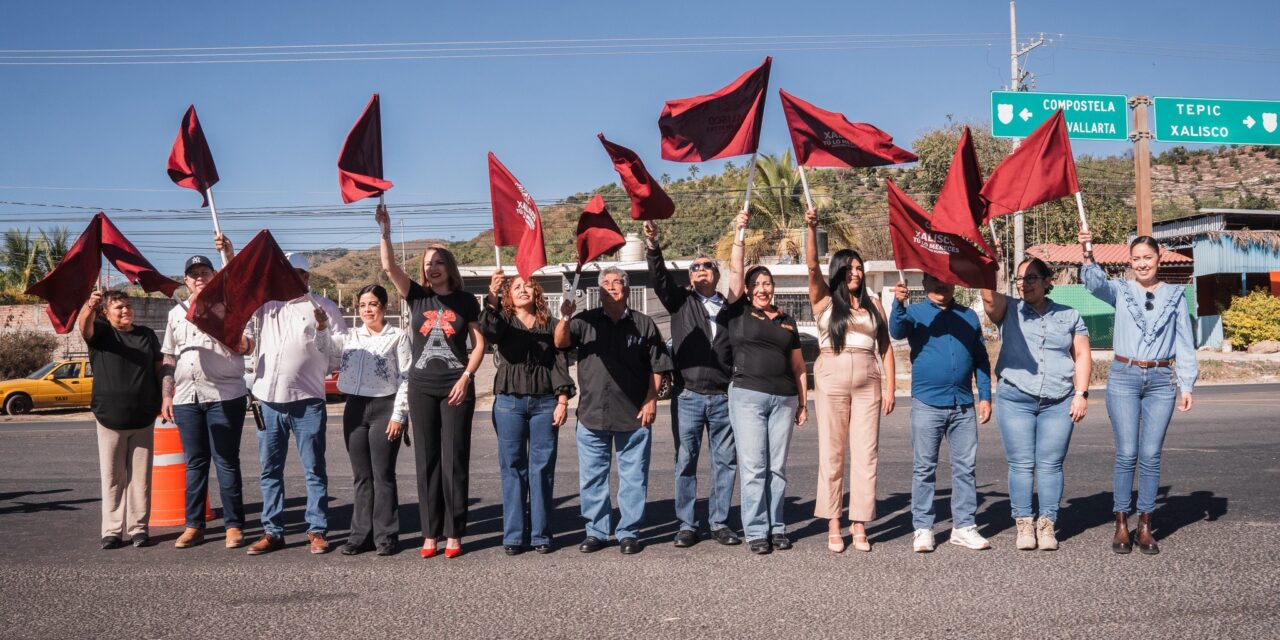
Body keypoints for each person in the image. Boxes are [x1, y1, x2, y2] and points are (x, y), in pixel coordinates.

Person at [376, 205, 485, 559]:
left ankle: (454, 532)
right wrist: (385, 231)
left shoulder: (467, 301)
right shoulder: (417, 297)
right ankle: (430, 533)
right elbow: (389, 268)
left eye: (437, 261)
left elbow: (479, 343)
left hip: (456, 386)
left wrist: (467, 377)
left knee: (454, 459)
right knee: (427, 460)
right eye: (427, 263)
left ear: (448, 267)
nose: (431, 267)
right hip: (421, 386)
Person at [1079, 230, 1197, 555]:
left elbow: (1185, 343)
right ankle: (1121, 523)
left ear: (1159, 259)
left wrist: (1186, 383)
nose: (1142, 264)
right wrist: (1087, 250)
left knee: (1150, 455)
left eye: (1148, 257)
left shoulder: (1175, 295)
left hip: (1161, 379)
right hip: (1123, 377)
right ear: (1129, 262)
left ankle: (1145, 525)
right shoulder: (1120, 290)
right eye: (1137, 259)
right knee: (1127, 452)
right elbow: (1093, 283)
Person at [233, 233, 347, 556]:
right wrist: (229, 252)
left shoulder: (322, 307)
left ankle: (317, 529)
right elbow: (242, 308)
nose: (289, 280)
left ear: (306, 277)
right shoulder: (266, 307)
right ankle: (273, 530)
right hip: (268, 400)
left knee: (314, 468)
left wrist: (323, 331)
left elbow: (337, 354)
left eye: (296, 275)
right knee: (270, 469)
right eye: (284, 275)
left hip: (308, 401)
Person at [554, 267, 672, 555]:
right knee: (593, 478)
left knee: (633, 478)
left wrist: (651, 398)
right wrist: (565, 316)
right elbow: (560, 342)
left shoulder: (644, 324)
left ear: (627, 289)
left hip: (634, 415)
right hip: (592, 414)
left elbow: (658, 365)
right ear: (599, 290)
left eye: (617, 282)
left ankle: (628, 532)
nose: (611, 287)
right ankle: (596, 531)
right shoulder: (584, 322)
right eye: (605, 283)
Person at [980, 257, 1091, 551]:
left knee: (1051, 464)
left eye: (1030, 278)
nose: (1023, 284)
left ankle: (1047, 524)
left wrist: (1081, 393)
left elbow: (1081, 356)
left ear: (1046, 281)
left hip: (1059, 400)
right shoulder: (1010, 310)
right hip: (1016, 396)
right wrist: (988, 263)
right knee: (1021, 464)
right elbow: (988, 297)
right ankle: (1024, 524)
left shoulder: (1070, 316)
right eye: (1019, 279)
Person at [714, 213, 808, 555]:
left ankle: (777, 526)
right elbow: (737, 272)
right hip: (747, 397)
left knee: (777, 468)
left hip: (783, 399)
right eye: (758, 284)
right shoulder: (738, 311)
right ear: (749, 290)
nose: (763, 288)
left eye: (767, 283)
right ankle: (756, 530)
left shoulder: (787, 320)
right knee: (754, 467)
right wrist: (739, 233)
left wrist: (803, 403)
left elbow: (798, 366)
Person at [642, 219, 740, 548]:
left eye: (707, 266)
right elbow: (659, 279)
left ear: (716, 274)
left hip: (724, 398)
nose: (701, 270)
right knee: (686, 460)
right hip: (688, 396)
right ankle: (686, 523)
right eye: (695, 267)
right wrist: (654, 246)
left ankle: (719, 522)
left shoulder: (729, 308)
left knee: (725, 461)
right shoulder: (681, 302)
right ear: (690, 277)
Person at [803, 209, 894, 554]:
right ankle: (833, 523)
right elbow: (812, 267)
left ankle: (859, 523)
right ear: (839, 270)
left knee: (867, 453)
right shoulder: (824, 301)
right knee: (833, 452)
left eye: (860, 268)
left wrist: (889, 388)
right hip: (831, 376)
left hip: (868, 379)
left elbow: (885, 348)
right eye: (851, 267)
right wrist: (811, 229)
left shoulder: (874, 307)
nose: (856, 273)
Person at [161, 242, 253, 550]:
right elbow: (169, 357)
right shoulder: (176, 313)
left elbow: (248, 345)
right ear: (185, 280)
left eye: (204, 272)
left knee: (226, 460)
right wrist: (167, 394)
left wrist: (228, 334)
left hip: (224, 394)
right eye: (193, 274)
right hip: (187, 397)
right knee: (195, 462)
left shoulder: (227, 306)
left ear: (214, 276)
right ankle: (193, 525)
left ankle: (234, 525)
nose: (199, 277)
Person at [890, 273, 992, 553]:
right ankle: (923, 528)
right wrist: (898, 304)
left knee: (965, 469)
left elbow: (981, 358)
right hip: (927, 404)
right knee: (924, 469)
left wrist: (985, 396)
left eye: (946, 279)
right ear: (924, 284)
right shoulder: (915, 312)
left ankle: (964, 526)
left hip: (963, 405)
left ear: (955, 283)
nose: (940, 284)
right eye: (933, 280)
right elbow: (897, 331)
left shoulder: (968, 316)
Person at [481, 268, 575, 555]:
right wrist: (492, 295)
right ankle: (513, 536)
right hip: (509, 403)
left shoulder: (551, 323)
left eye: (528, 286)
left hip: (545, 403)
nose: (523, 289)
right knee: (512, 468)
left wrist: (562, 400)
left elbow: (561, 360)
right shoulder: (504, 321)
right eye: (516, 286)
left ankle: (541, 535)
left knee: (541, 469)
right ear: (509, 294)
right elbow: (489, 331)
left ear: (537, 293)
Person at [78, 289, 163, 550]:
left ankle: (139, 528)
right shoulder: (102, 334)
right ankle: (112, 531)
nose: (126, 310)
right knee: (113, 478)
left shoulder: (146, 335)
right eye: (119, 307)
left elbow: (159, 369)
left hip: (143, 418)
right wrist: (89, 306)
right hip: (109, 419)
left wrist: (165, 400)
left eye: (128, 306)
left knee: (141, 479)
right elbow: (84, 328)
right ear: (106, 313)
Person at [330, 284, 410, 557]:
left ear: (384, 307)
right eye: (363, 305)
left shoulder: (397, 336)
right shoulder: (350, 336)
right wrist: (320, 329)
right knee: (361, 476)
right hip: (354, 407)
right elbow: (324, 351)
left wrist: (399, 414)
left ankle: (386, 536)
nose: (367, 309)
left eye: (373, 304)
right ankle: (360, 535)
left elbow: (406, 377)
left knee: (383, 474)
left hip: (384, 407)